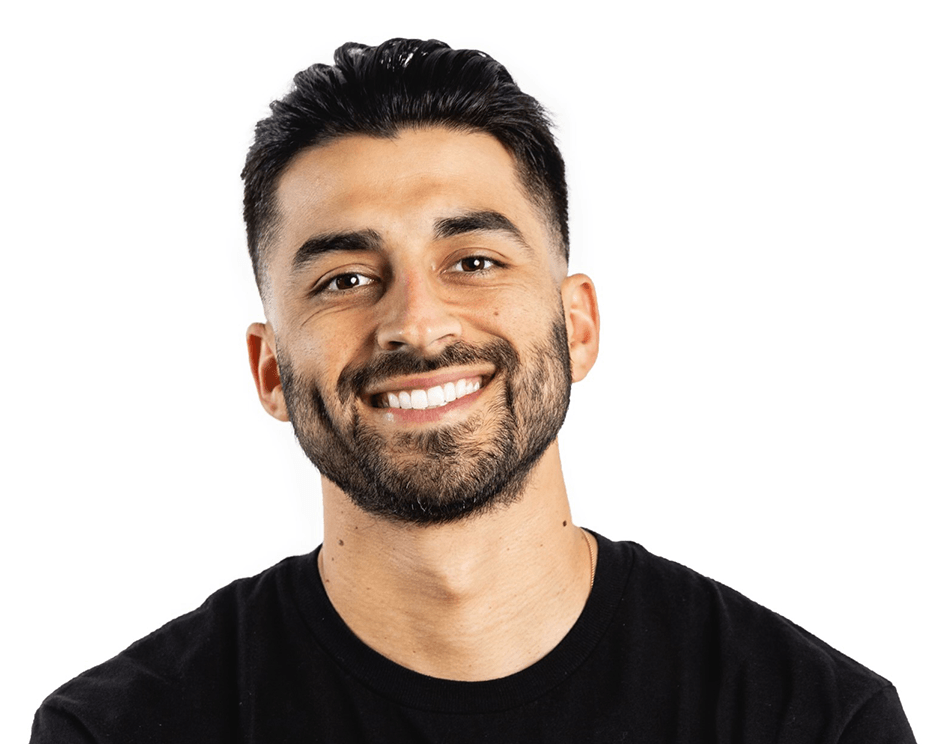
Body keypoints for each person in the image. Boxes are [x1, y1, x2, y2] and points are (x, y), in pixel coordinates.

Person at [30, 38, 916, 743]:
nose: (416, 323)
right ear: (268, 370)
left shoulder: (811, 720)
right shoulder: (117, 730)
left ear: (577, 326)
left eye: (474, 261)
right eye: (343, 278)